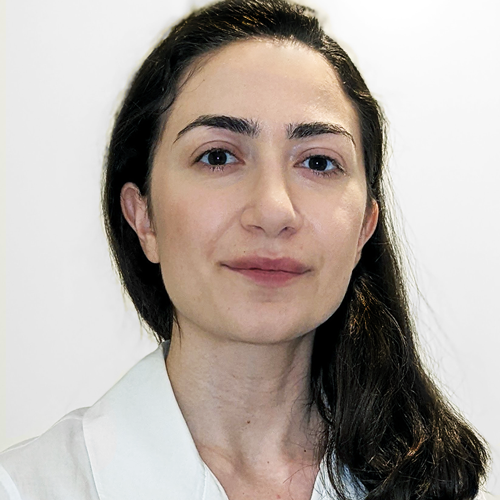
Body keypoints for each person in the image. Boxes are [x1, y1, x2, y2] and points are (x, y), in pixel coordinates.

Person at [0, 0, 491, 499]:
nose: (274, 209)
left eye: (319, 162)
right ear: (143, 217)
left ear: (365, 226)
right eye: (218, 156)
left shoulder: (436, 488)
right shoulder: (27, 488)